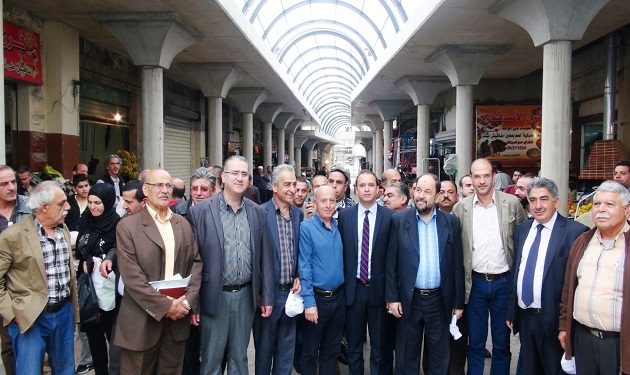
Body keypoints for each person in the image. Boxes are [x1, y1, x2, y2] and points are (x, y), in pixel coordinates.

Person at [187, 156, 274, 375]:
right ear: (223, 177)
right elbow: (192, 261)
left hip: (246, 297)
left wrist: (267, 296)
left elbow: (265, 257)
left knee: (239, 358)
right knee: (211, 360)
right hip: (213, 297)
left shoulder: (257, 212)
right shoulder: (200, 212)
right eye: (234, 173)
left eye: (244, 174)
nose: (239, 178)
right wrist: (193, 303)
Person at [113, 169, 202, 374]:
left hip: (176, 322)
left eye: (168, 186)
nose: (164, 191)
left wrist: (187, 302)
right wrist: (166, 306)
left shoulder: (183, 224)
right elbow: (132, 278)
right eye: (158, 186)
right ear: (145, 189)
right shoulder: (127, 227)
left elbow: (196, 264)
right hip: (141, 321)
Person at [451, 158, 527, 375]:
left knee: (502, 343)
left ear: (494, 176)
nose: (482, 181)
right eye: (477, 176)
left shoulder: (511, 203)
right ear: (470, 179)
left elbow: (522, 240)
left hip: (504, 282)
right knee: (475, 342)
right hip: (474, 283)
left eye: (486, 175)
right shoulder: (461, 208)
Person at [506, 177, 588, 375]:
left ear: (556, 201)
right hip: (526, 318)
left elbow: (577, 284)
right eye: (533, 200)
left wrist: (567, 325)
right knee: (529, 369)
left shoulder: (576, 233)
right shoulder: (522, 230)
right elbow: (518, 270)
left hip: (554, 321)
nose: (538, 205)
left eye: (544, 199)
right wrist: (512, 311)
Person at [386, 173, 464, 375]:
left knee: (439, 358)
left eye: (427, 191)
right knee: (406, 358)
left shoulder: (451, 223)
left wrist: (458, 303)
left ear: (437, 196)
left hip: (439, 301)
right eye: (418, 190)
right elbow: (391, 264)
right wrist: (393, 298)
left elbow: (457, 265)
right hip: (409, 300)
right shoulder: (399, 220)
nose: (420, 195)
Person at [0, 181, 77, 375]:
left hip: (62, 313)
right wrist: (12, 313)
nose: (67, 207)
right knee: (29, 371)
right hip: (29, 317)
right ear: (45, 208)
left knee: (66, 370)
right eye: (62, 203)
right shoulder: (13, 236)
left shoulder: (63, 230)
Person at [559, 180, 630, 375]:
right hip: (583, 340)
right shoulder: (583, 242)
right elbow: (569, 290)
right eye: (597, 204)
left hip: (618, 345)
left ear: (627, 209)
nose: (601, 210)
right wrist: (564, 327)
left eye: (609, 204)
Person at [338, 170, 394, 375]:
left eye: (371, 185)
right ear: (355, 189)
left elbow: (393, 259)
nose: (367, 189)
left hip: (379, 290)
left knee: (379, 347)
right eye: (362, 185)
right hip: (354, 289)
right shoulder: (344, 217)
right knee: (353, 346)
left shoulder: (390, 217)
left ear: (379, 189)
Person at [253, 164, 303, 375]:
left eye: (294, 184)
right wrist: (260, 293)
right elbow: (254, 256)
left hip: (291, 295)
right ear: (274, 186)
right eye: (287, 185)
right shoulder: (260, 213)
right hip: (268, 296)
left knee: (286, 352)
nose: (292, 189)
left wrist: (299, 275)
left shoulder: (298, 215)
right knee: (264, 351)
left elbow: (301, 249)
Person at [299, 185, 345, 375]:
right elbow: (305, 266)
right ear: (315, 203)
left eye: (332, 201)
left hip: (338, 299)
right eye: (323, 201)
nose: (328, 205)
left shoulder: (337, 226)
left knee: (331, 350)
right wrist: (309, 302)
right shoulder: (306, 228)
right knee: (310, 351)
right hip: (317, 301)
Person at [75, 183, 120, 375]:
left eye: (98, 203)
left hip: (109, 290)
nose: (93, 207)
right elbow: (80, 248)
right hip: (89, 291)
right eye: (90, 202)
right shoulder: (86, 220)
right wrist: (86, 260)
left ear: (108, 202)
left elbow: (119, 250)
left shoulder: (117, 224)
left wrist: (105, 259)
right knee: (94, 339)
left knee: (114, 337)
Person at [0, 166, 31, 375]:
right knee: (8, 346)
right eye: (4, 184)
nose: (12, 187)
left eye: (13, 182)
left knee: (29, 346)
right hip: (2, 289)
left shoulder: (30, 208)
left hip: (26, 288)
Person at [576, 160, 630, 228]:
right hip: (603, 222)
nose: (618, 176)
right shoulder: (606, 191)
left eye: (622, 173)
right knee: (584, 218)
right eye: (615, 174)